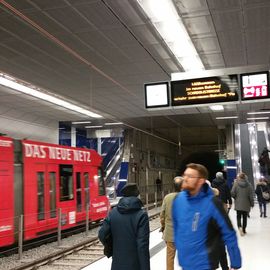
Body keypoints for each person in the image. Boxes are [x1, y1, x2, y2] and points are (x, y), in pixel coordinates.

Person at [172, 163, 241, 270]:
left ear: (201, 181)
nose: (185, 179)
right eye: (184, 175)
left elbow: (229, 233)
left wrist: (235, 263)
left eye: (190, 176)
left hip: (205, 264)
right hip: (185, 263)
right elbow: (176, 228)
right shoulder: (178, 200)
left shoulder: (212, 203)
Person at [98, 183, 150, 270]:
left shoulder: (112, 213)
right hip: (134, 265)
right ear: (137, 195)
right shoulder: (142, 215)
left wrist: (111, 247)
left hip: (117, 264)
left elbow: (102, 234)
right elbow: (142, 246)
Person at [160, 176, 183, 270]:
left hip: (170, 232)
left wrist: (163, 227)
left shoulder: (167, 197)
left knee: (170, 257)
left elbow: (162, 215)